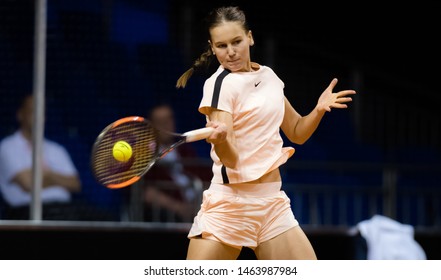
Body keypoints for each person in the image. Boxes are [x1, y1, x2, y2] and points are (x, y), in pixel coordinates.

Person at [175, 6, 356, 260]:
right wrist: (222, 139)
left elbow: (297, 132)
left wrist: (318, 110)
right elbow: (231, 159)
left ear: (250, 37)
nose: (231, 52)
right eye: (222, 45)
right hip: (231, 206)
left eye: (237, 41)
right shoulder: (220, 86)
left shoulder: (269, 77)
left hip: (272, 204)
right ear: (212, 47)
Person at [0, 94, 115, 221]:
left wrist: (45, 176)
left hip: (64, 207)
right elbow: (28, 183)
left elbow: (75, 183)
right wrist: (56, 177)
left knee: (104, 218)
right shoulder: (7, 146)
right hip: (25, 211)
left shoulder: (56, 149)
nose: (38, 117)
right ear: (20, 115)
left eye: (42, 112)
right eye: (33, 111)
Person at [141, 103, 208, 222]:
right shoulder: (144, 156)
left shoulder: (186, 150)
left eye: (168, 119)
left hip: (200, 208)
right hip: (168, 216)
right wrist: (179, 208)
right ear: (152, 126)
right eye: (160, 122)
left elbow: (204, 179)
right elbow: (146, 193)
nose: (166, 125)